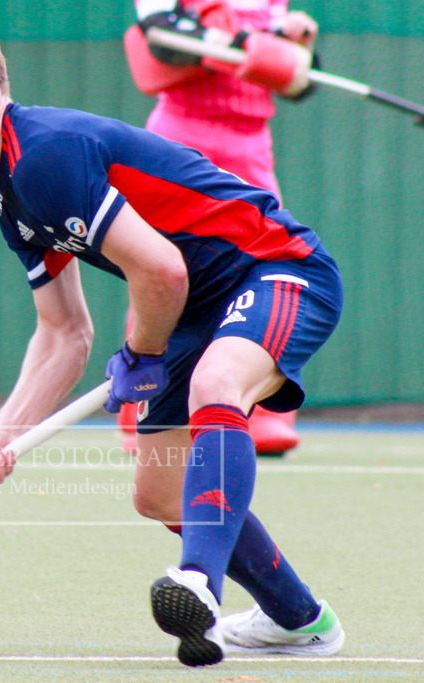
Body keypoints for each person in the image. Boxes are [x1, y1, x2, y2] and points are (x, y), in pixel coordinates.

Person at [0, 7, 345, 667]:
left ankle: (199, 586)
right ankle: (301, 621)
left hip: (276, 268)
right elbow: (64, 332)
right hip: (199, 305)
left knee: (217, 383)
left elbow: (160, 269)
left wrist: (146, 353)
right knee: (158, 490)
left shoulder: (43, 155)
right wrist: (2, 435)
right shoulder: (8, 199)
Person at [120, 0, 322, 457]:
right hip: (181, 137)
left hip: (250, 143)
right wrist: (238, 44)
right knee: (161, 268)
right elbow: (163, 38)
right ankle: (143, 411)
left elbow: (299, 83)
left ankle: (263, 414)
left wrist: (296, 49)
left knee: (271, 270)